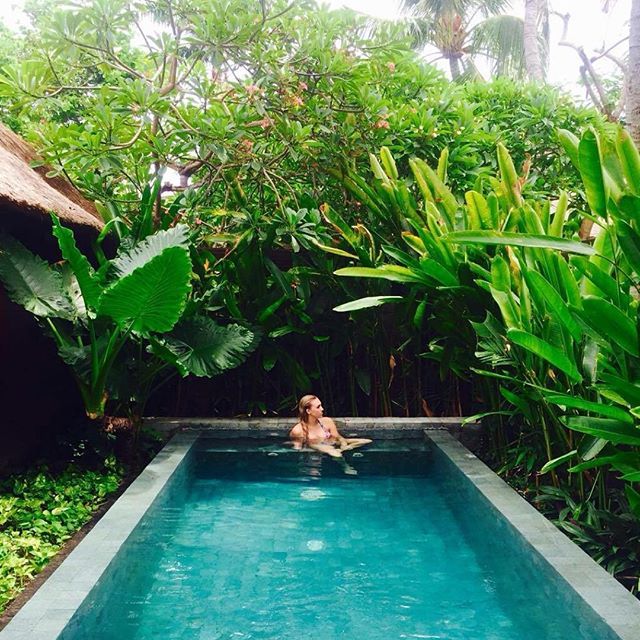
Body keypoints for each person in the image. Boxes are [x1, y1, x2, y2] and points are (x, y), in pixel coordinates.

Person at [289, 394, 372, 459]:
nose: (322, 409)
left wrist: (344, 445)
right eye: (318, 407)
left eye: (321, 405)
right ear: (308, 411)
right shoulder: (298, 430)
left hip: (332, 443)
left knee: (367, 441)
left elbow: (338, 437)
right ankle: (346, 467)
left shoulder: (327, 421)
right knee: (335, 454)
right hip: (317, 446)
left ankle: (340, 451)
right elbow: (297, 449)